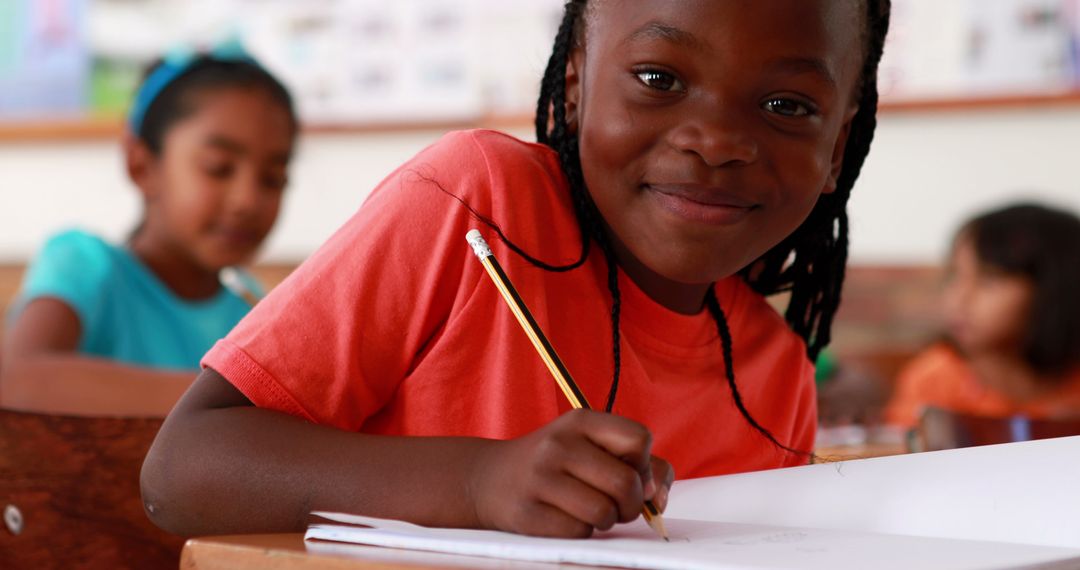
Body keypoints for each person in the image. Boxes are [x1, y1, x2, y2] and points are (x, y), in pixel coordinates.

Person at [142, 0, 892, 538]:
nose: (717, 140)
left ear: (837, 147)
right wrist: (477, 482)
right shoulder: (478, 204)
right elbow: (183, 472)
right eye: (660, 79)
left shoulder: (772, 373)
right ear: (574, 80)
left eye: (787, 104)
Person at [0, 45, 298, 417]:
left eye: (273, 178)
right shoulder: (84, 263)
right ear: (141, 165)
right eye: (218, 168)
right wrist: (239, 395)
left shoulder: (251, 307)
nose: (247, 200)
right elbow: (19, 380)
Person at [886, 203, 1080, 427]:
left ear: (1053, 290)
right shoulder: (936, 380)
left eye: (988, 279)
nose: (959, 298)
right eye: (954, 276)